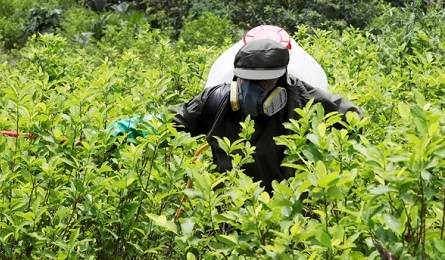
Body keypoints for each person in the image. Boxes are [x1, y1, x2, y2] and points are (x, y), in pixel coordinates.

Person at [108, 38, 363, 191]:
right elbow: (169, 123)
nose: (250, 90)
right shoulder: (216, 100)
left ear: (281, 79)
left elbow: (354, 118)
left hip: (285, 216)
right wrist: (117, 132)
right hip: (228, 214)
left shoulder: (305, 100)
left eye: (262, 83)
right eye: (245, 81)